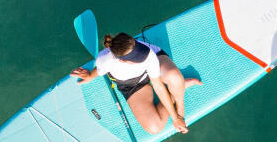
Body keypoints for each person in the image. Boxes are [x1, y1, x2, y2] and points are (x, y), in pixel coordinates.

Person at [69, 32, 202, 135]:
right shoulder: (104, 59)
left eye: (139, 50)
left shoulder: (148, 54)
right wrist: (89, 76)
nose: (142, 55)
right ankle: (180, 88)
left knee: (175, 77)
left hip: (153, 66)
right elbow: (99, 70)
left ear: (132, 41)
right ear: (122, 60)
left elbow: (158, 86)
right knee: (154, 127)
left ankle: (180, 102)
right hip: (132, 85)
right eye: (137, 57)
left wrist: (176, 117)